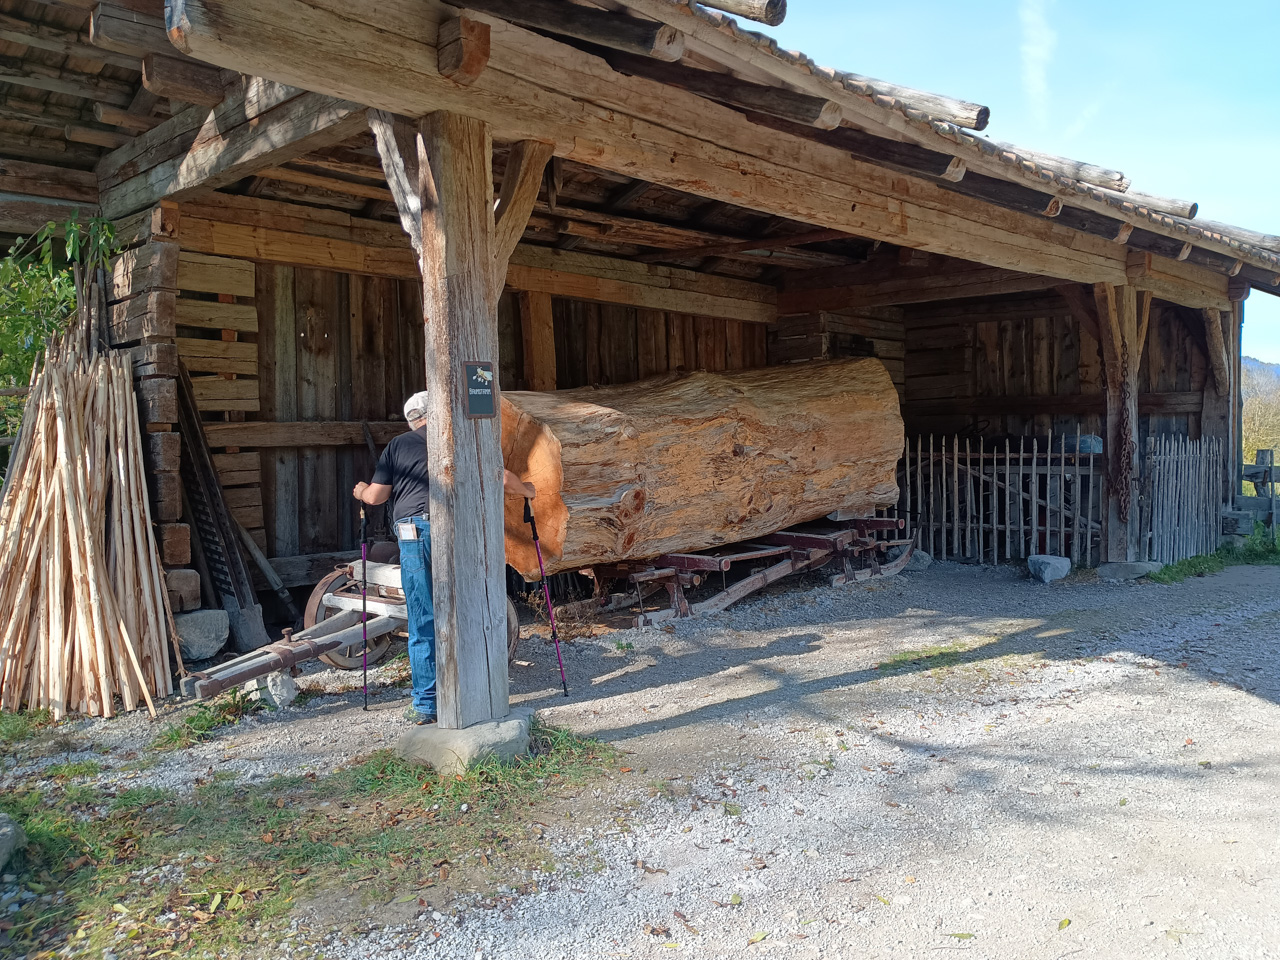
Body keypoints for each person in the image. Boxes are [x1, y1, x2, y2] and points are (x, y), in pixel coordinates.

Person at [353, 391, 535, 724]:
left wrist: (361, 490)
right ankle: (475, 691)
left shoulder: (398, 445)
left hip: (416, 534)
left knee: (423, 617)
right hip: (459, 532)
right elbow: (502, 478)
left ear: (411, 420)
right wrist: (528, 490)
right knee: (468, 610)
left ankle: (427, 705)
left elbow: (377, 497)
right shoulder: (460, 440)